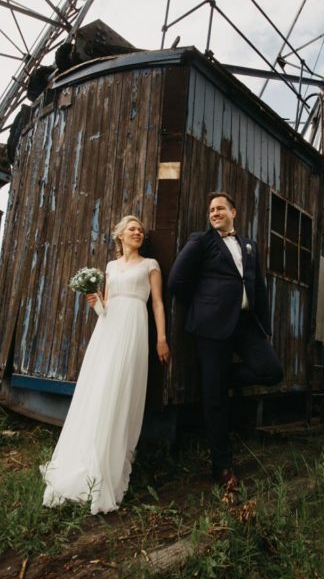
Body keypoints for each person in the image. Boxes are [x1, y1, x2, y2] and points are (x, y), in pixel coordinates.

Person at [41, 215, 171, 514]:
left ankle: (111, 459)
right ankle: (86, 457)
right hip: (108, 332)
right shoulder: (110, 268)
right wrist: (96, 301)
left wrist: (161, 338)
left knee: (122, 388)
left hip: (135, 329)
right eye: (132, 229)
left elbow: (158, 304)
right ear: (120, 236)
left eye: (140, 230)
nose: (137, 232)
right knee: (100, 388)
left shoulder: (150, 265)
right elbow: (106, 308)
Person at [167, 192, 283, 487]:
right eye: (211, 210)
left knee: (271, 371)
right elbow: (177, 281)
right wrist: (206, 305)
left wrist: (265, 327)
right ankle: (222, 466)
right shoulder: (201, 241)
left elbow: (261, 287)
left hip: (246, 326)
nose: (215, 213)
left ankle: (218, 379)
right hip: (211, 327)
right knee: (215, 401)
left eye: (220, 208)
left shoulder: (250, 246)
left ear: (234, 211)